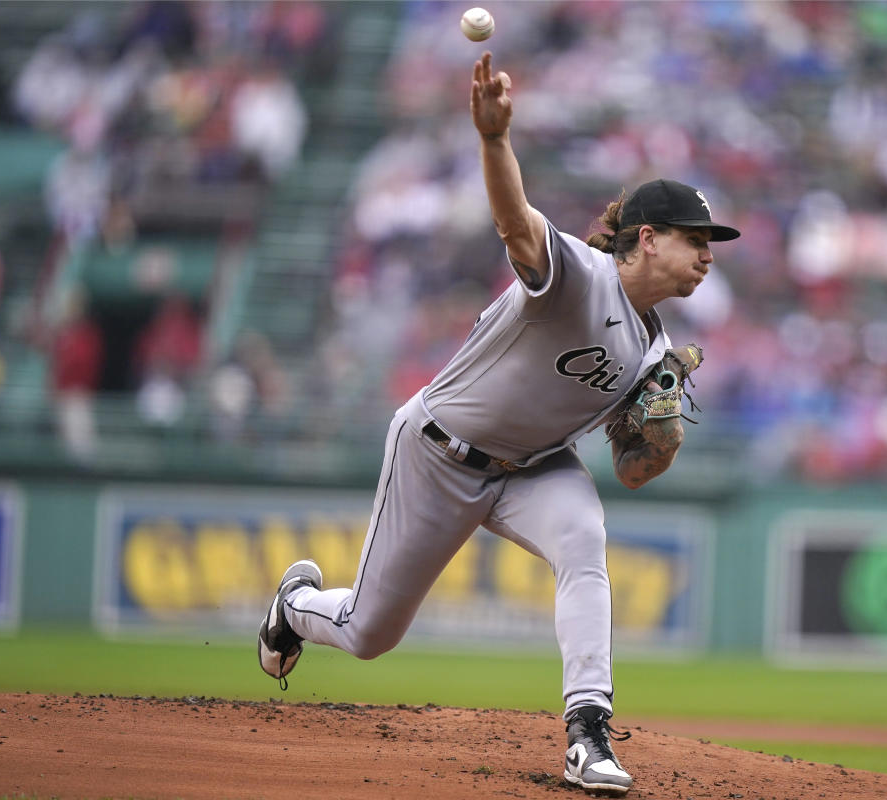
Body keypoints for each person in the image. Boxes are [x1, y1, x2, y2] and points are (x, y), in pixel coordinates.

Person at [256, 52, 740, 795]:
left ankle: (588, 733)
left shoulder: (655, 348)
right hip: (438, 453)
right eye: (695, 238)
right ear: (646, 237)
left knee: (585, 538)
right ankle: (294, 608)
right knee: (370, 634)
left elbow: (639, 472)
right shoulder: (579, 274)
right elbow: (516, 225)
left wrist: (661, 428)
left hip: (532, 469)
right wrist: (493, 140)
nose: (708, 254)